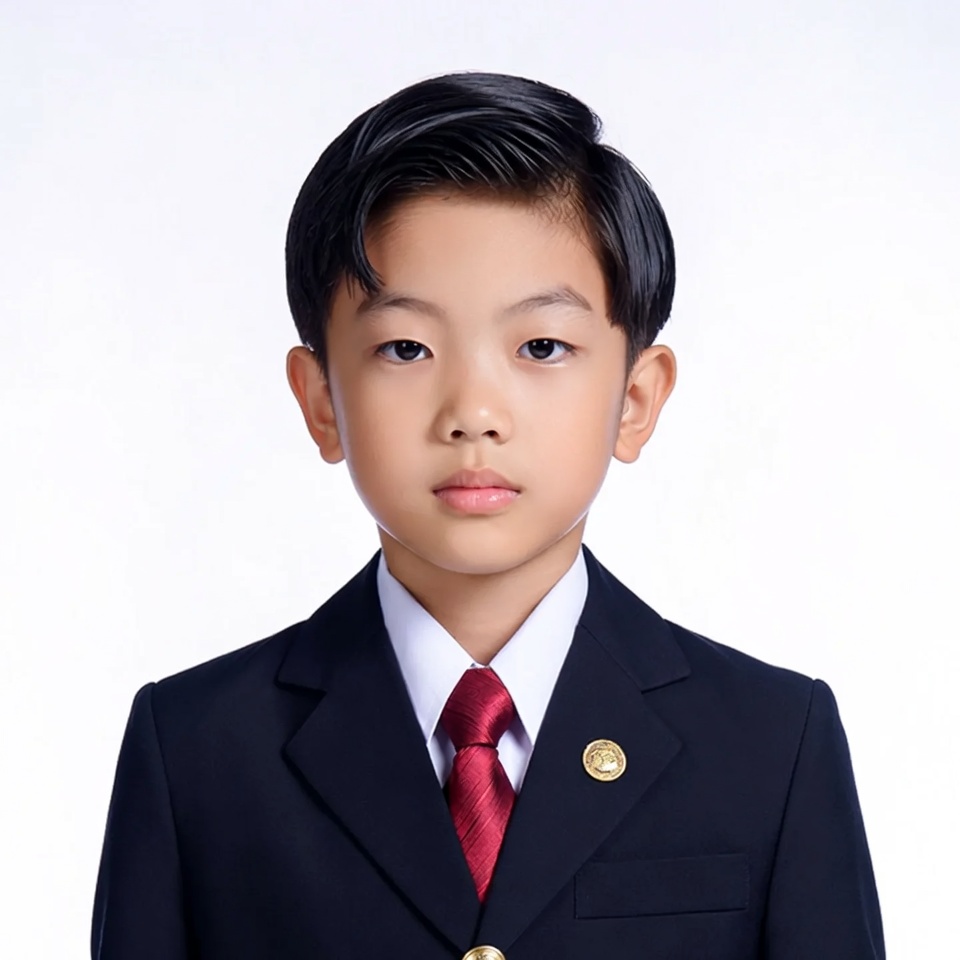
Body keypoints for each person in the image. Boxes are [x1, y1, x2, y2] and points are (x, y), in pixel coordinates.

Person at [91, 71, 885, 959]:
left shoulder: (772, 745)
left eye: (542, 346)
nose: (473, 409)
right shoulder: (198, 749)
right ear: (320, 401)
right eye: (405, 347)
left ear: (636, 398)